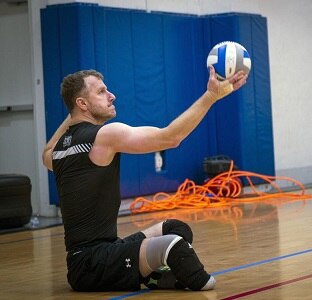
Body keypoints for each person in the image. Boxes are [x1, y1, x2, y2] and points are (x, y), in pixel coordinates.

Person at [42, 66, 247, 292]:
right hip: (92, 264)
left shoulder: (57, 152)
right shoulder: (106, 136)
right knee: (177, 249)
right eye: (101, 92)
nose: (112, 96)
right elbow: (170, 138)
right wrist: (211, 96)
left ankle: (149, 277)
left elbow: (47, 150)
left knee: (175, 228)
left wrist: (73, 112)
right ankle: (153, 274)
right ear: (82, 104)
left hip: (97, 256)